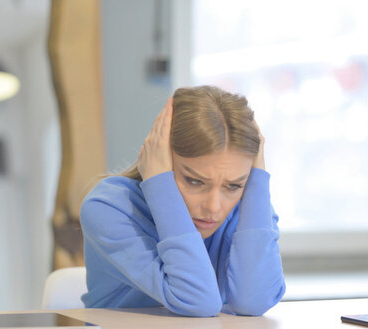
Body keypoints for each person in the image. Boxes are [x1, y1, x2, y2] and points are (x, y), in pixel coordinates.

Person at [79, 85, 286, 317]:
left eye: (234, 185)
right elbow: (199, 301)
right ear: (157, 160)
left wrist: (257, 183)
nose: (213, 207)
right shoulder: (109, 209)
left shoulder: (249, 205)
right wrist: (160, 186)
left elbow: (253, 302)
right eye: (195, 181)